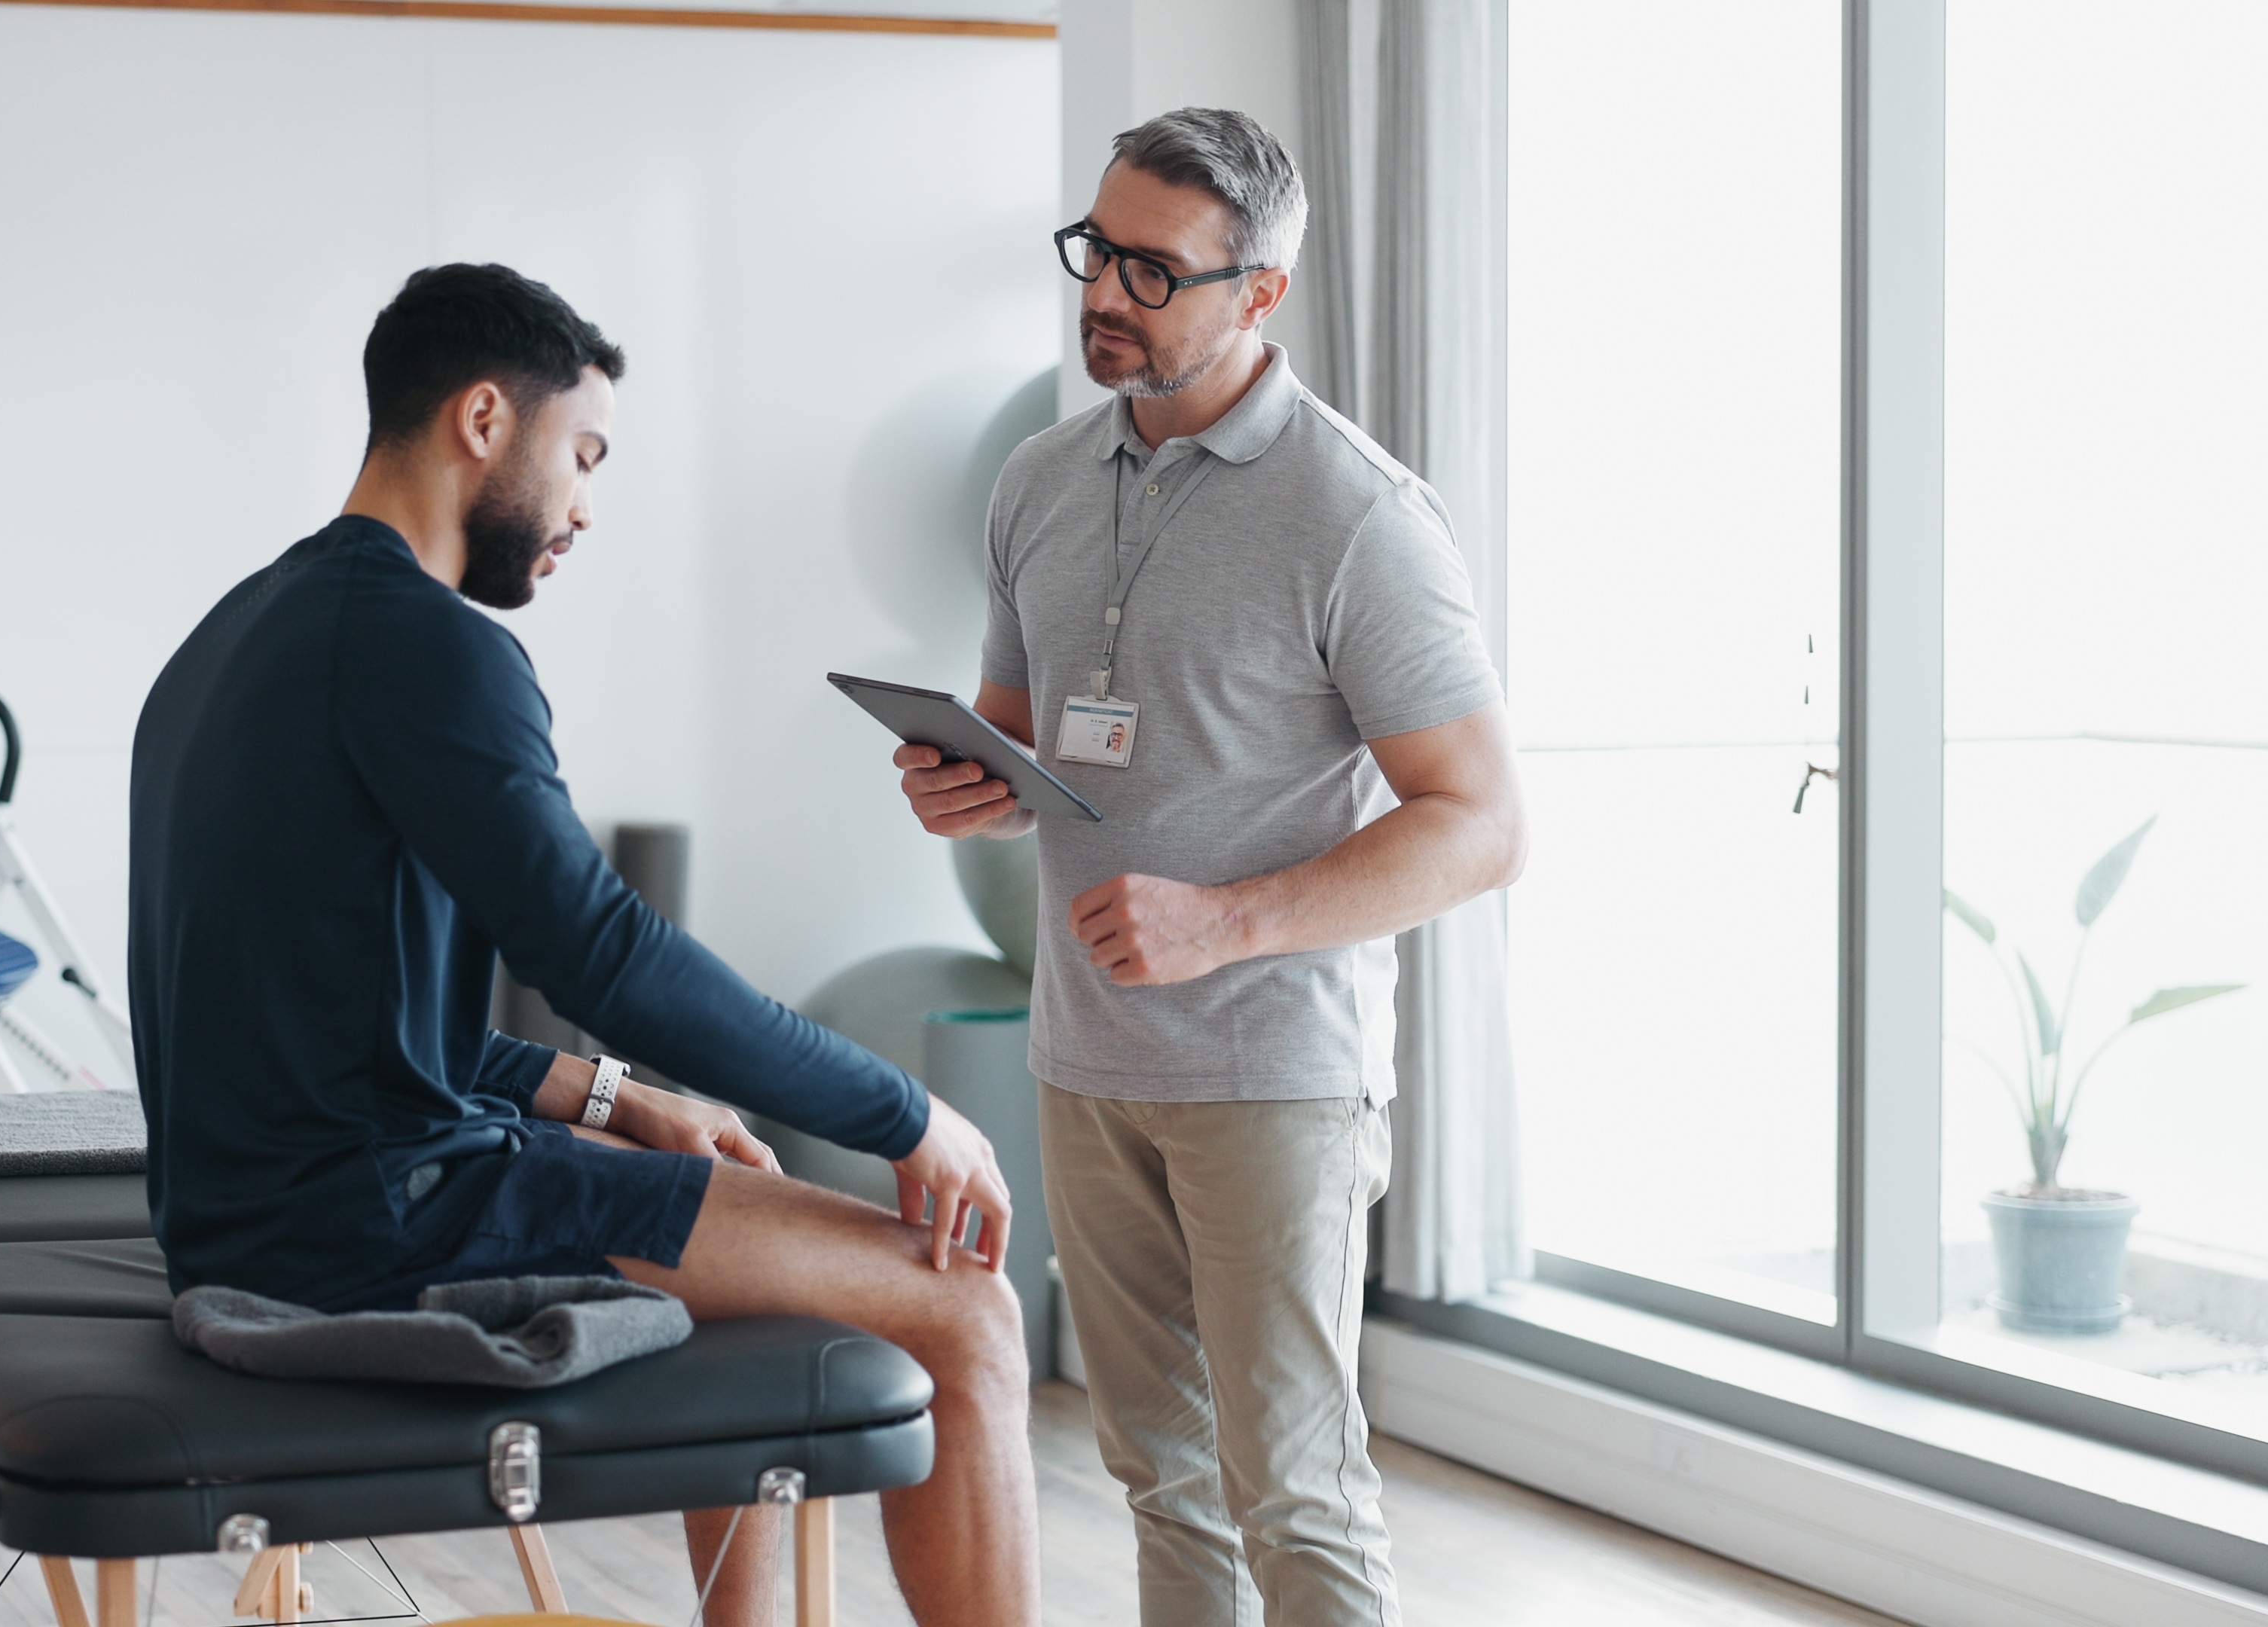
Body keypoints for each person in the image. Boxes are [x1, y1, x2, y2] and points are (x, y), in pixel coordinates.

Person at [130, 263, 1038, 1626]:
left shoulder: (236, 635)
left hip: (253, 1210)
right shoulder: (430, 647)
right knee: (967, 1310)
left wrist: (620, 1098)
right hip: (369, 1224)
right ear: (484, 420)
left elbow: (350, 1021)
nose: (585, 506)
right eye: (583, 454)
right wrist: (908, 1115)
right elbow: (599, 954)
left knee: (729, 1215)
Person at [892, 109, 1526, 1627]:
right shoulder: (1038, 481)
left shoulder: (1358, 518)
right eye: (1093, 251)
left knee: (1292, 1500)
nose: (1101, 292)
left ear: (1258, 294)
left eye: (1148, 271)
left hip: (1272, 1080)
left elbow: (1482, 822)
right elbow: (1023, 740)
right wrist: (965, 783)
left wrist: (1225, 919)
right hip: (1086, 1062)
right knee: (1156, 1478)